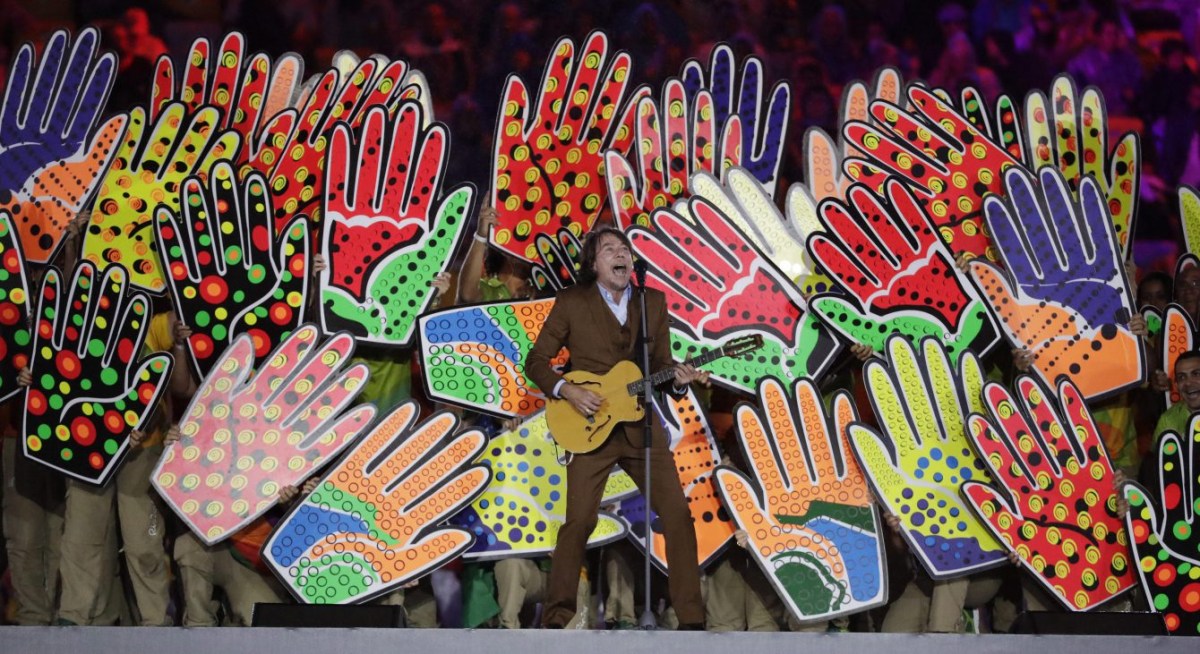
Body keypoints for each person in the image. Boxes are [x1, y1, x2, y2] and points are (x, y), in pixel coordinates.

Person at [526, 227, 707, 629]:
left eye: (624, 249)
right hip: (587, 427)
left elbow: (660, 364)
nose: (620, 254)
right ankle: (557, 619)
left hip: (640, 425)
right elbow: (536, 361)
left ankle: (692, 621)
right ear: (595, 265)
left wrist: (677, 379)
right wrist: (567, 390)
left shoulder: (652, 302)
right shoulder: (573, 302)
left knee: (678, 515)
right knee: (579, 523)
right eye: (610, 250)